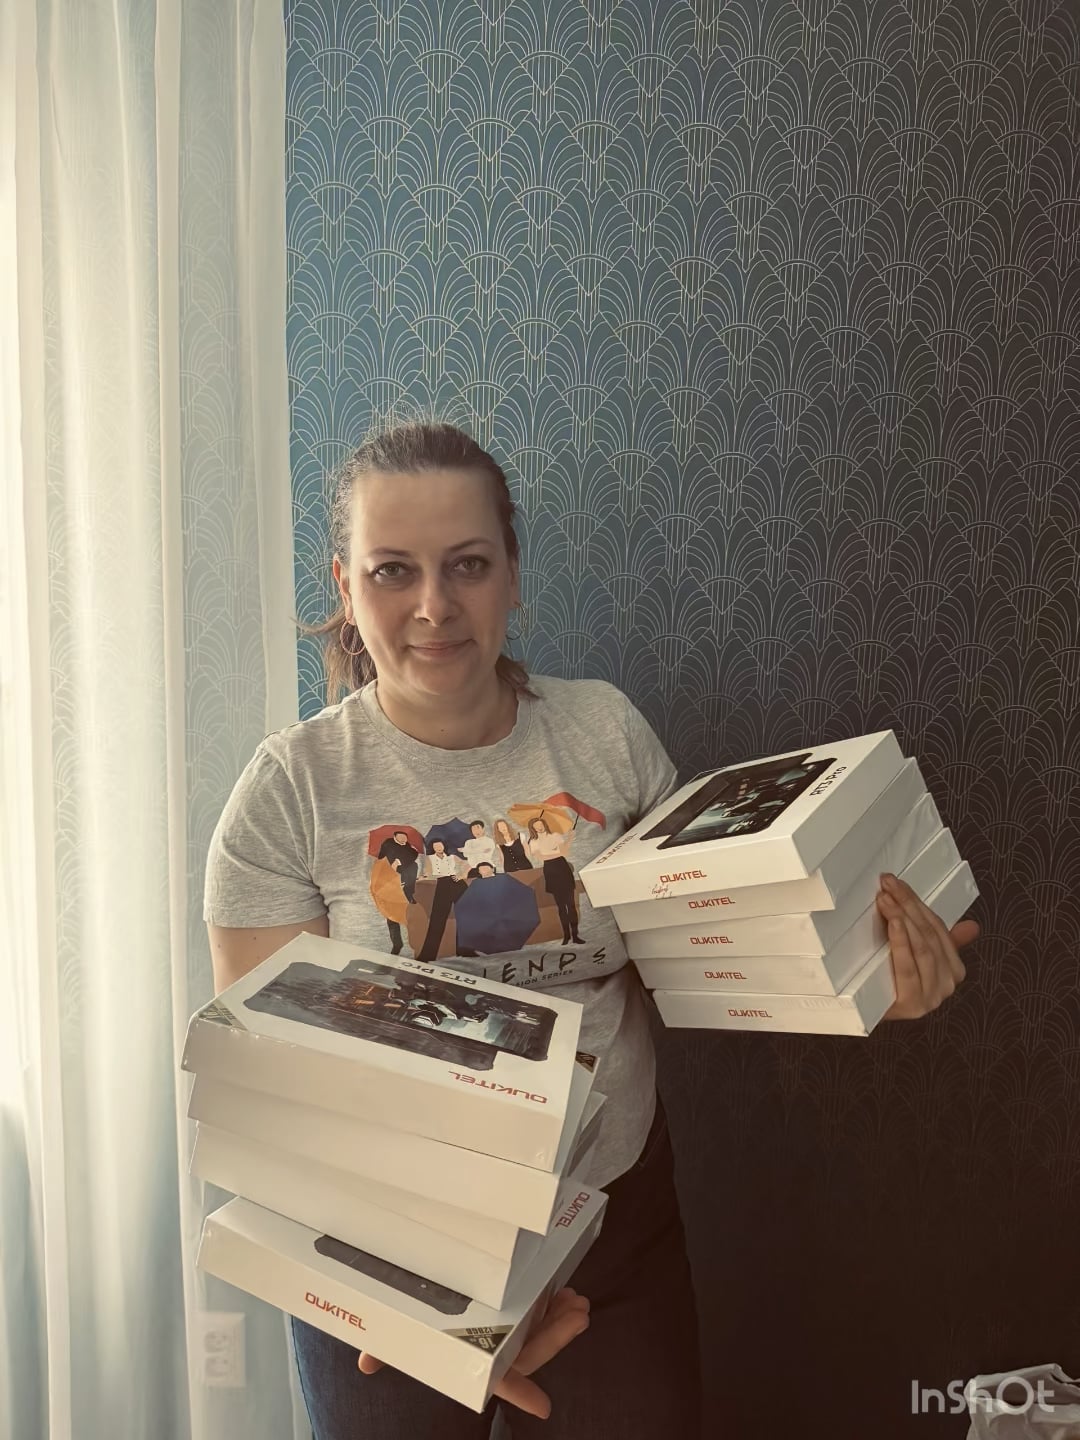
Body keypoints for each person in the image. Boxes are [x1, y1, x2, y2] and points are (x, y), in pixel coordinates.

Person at [203, 421, 978, 1439]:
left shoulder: (605, 733)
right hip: (388, 1251)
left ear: (513, 576)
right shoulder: (289, 792)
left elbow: (701, 956)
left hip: (612, 1227)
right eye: (393, 571)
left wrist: (868, 982)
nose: (434, 605)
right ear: (347, 588)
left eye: (468, 565)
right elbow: (279, 1099)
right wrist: (445, 1295)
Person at [526, 816, 583, 946]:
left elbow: (565, 852)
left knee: (571, 905)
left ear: (544, 824)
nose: (539, 827)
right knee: (561, 906)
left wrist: (570, 838)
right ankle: (566, 936)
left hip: (563, 868)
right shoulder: (533, 842)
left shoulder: (555, 836)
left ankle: (575, 935)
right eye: (536, 826)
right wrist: (557, 852)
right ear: (532, 829)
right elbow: (541, 857)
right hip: (551, 871)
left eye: (541, 824)